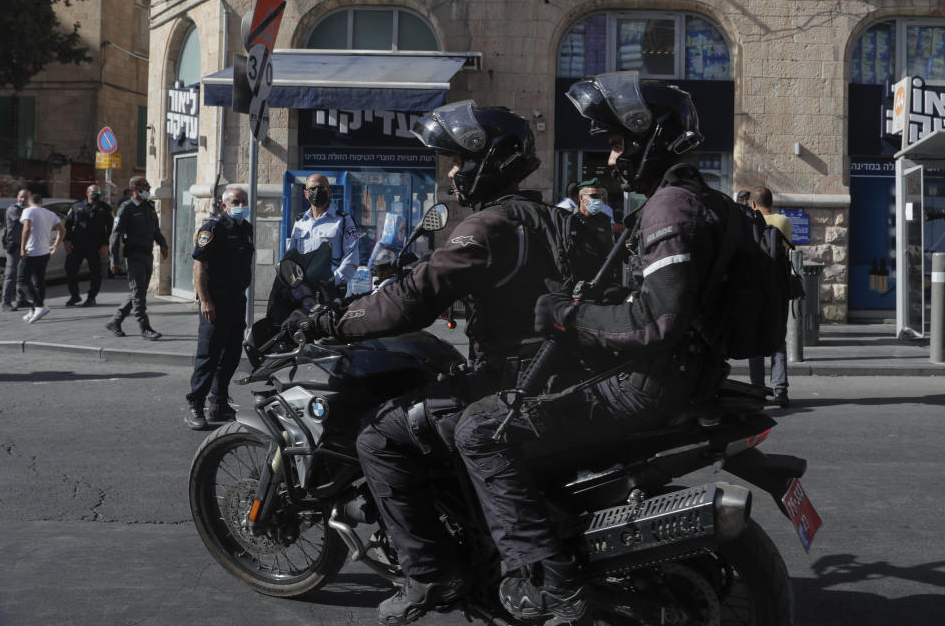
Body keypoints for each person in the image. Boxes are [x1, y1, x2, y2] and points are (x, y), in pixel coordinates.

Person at [449, 72, 723, 623]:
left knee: (479, 431)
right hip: (688, 374)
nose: (613, 156)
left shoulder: (668, 206)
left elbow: (658, 320)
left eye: (620, 142)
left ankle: (556, 586)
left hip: (647, 383)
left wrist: (572, 316)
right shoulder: (690, 198)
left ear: (651, 136)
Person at [297, 101, 574, 625]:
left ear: (485, 161)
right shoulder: (554, 220)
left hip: (511, 384)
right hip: (561, 379)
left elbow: (407, 302)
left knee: (379, 436)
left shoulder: (488, 227)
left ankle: (428, 573)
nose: (451, 171)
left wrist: (327, 322)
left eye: (457, 160)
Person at [184, 189, 254, 430]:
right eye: (236, 202)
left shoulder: (246, 228)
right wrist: (205, 300)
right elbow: (199, 267)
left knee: (231, 354)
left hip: (237, 299)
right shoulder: (212, 229)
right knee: (209, 354)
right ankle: (195, 404)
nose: (241, 205)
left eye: (244, 201)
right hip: (215, 300)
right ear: (225, 206)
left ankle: (218, 402)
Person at [745, 186, 792, 407]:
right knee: (778, 339)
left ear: (753, 204)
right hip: (778, 290)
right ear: (771, 202)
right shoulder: (783, 222)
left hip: (754, 289)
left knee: (755, 339)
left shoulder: (747, 223)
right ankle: (780, 390)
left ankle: (757, 390)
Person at [106, 176, 168, 340]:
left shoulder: (149, 206)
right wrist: (113, 260)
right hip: (133, 255)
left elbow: (155, 229)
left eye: (148, 184)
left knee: (137, 291)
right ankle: (145, 328)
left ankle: (115, 321)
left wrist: (163, 244)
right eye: (145, 185)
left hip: (147, 254)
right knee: (139, 294)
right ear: (135, 188)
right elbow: (115, 236)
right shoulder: (126, 208)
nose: (148, 186)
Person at [288, 174, 360, 293]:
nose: (317, 192)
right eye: (312, 189)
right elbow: (291, 256)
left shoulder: (343, 220)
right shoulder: (300, 222)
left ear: (329, 192)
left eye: (321, 188)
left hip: (329, 291)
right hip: (302, 291)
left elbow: (351, 257)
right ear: (306, 194)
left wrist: (333, 281)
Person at [63, 184, 113, 307]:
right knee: (70, 270)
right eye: (93, 192)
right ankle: (74, 296)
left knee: (96, 273)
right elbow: (68, 225)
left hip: (96, 246)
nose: (96, 194)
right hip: (77, 244)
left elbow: (111, 228)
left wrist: (106, 244)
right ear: (87, 193)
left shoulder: (105, 208)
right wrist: (67, 240)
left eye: (98, 192)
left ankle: (91, 297)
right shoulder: (76, 206)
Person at [19, 195, 66, 323]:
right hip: (44, 252)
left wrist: (22, 248)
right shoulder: (50, 213)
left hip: (32, 252)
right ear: (42, 203)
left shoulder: (28, 211)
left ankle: (39, 306)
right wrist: (55, 245)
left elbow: (27, 228)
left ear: (29, 203)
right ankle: (35, 308)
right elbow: (62, 230)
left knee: (22, 280)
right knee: (38, 280)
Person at [1, 188, 31, 311]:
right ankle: (6, 303)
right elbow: (24, 221)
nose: (23, 199)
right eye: (21, 197)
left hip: (25, 246)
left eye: (26, 197)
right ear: (17, 197)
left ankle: (21, 300)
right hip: (14, 246)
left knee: (22, 274)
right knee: (10, 274)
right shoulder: (13, 209)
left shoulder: (29, 210)